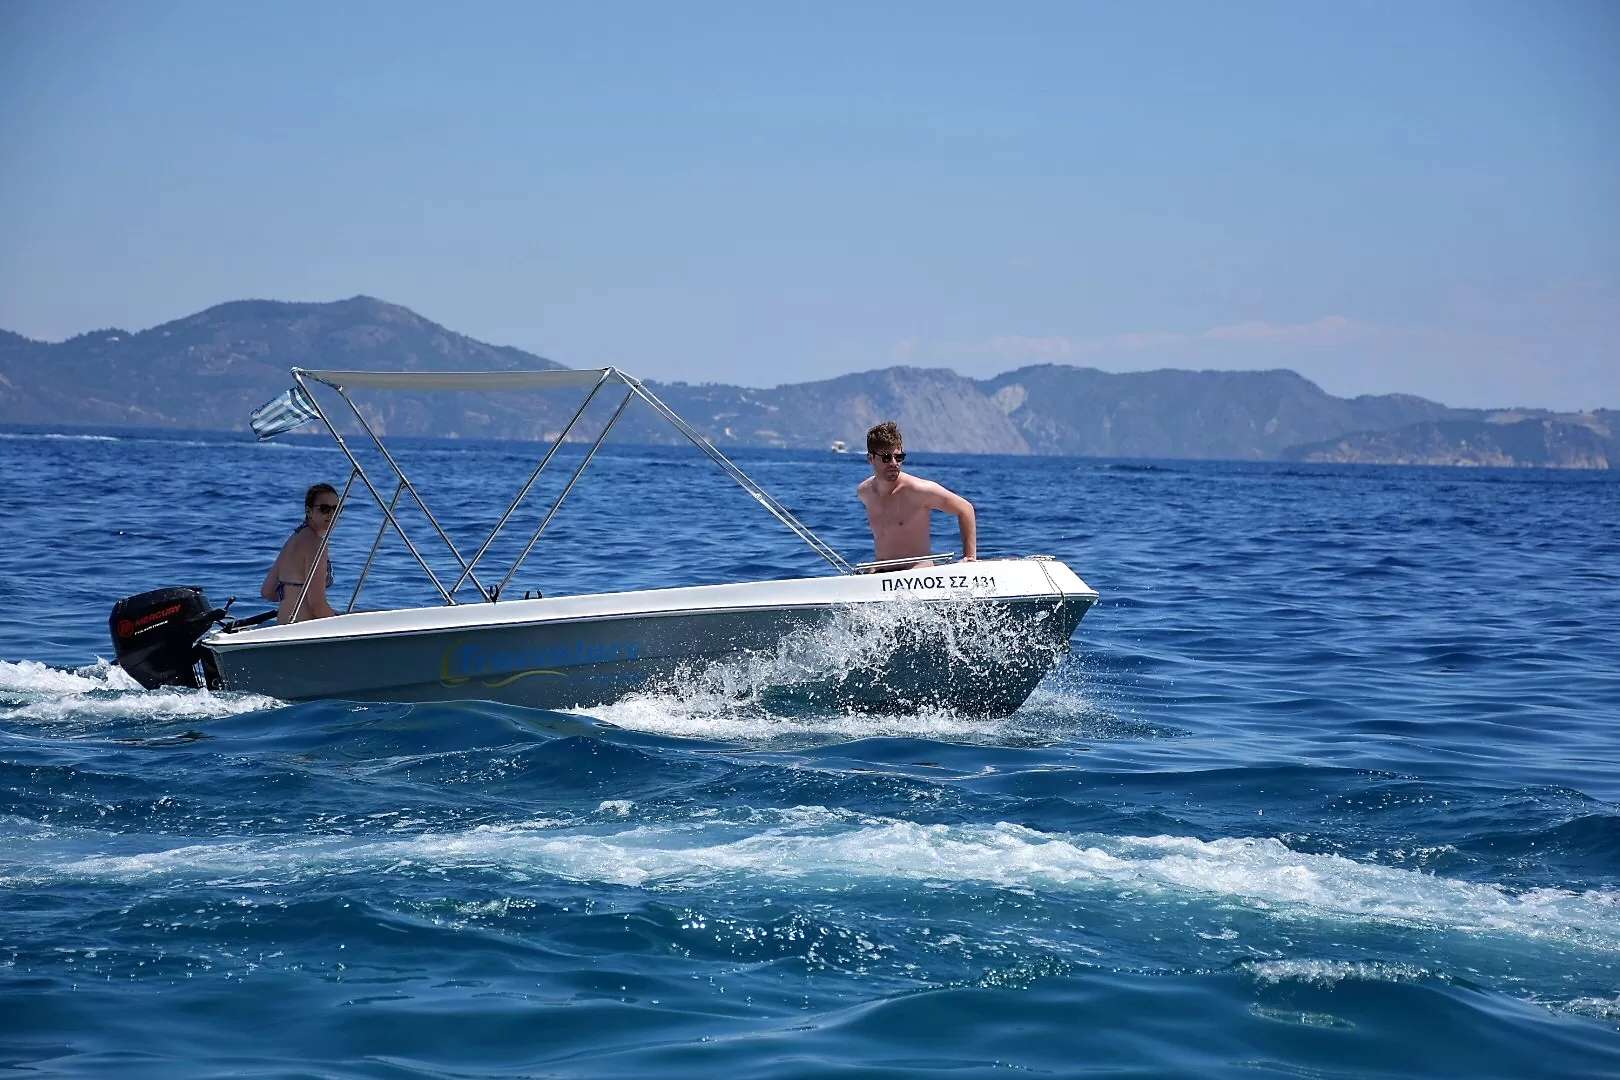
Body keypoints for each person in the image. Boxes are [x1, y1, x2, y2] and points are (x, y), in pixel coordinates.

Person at [856, 421, 976, 570]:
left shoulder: (919, 490)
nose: (894, 463)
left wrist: (969, 558)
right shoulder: (864, 492)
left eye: (899, 457)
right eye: (887, 458)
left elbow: (966, 509)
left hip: (917, 576)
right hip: (883, 575)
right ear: (870, 458)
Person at [261, 483, 339, 623]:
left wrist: (291, 595)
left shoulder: (295, 537)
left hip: (284, 624)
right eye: (324, 509)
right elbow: (317, 606)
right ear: (308, 511)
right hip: (303, 629)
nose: (331, 514)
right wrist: (341, 623)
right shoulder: (315, 544)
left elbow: (267, 591)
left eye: (336, 509)